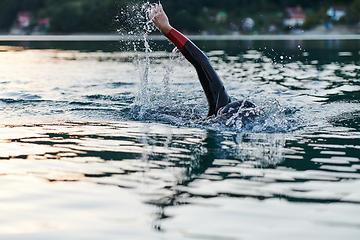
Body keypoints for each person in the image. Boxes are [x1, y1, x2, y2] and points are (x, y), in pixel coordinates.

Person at [148, 3, 256, 120]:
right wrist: (167, 29)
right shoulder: (220, 102)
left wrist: (167, 29)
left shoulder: (218, 108)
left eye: (221, 113)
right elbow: (202, 63)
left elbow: (201, 61)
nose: (220, 114)